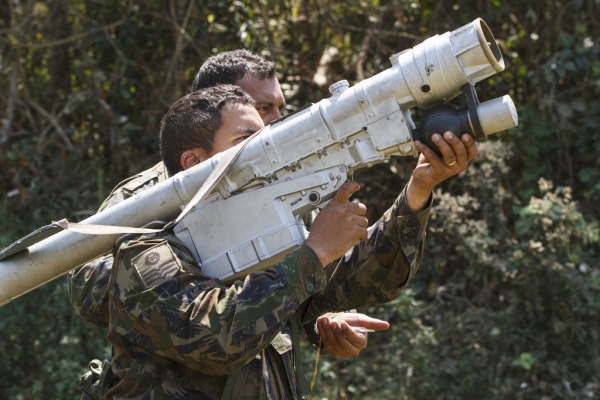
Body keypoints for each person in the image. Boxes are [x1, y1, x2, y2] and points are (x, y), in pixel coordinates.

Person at [102, 83, 477, 399]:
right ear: (193, 162)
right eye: (248, 139)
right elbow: (215, 340)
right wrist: (314, 253)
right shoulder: (146, 249)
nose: (266, 150)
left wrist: (419, 188)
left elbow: (351, 284)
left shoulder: (260, 227)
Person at [69, 50, 391, 359]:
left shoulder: (275, 187)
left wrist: (317, 316)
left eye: (279, 109)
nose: (276, 126)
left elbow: (320, 285)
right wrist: (197, 267)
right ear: (213, 101)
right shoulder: (149, 202)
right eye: (261, 110)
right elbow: (101, 290)